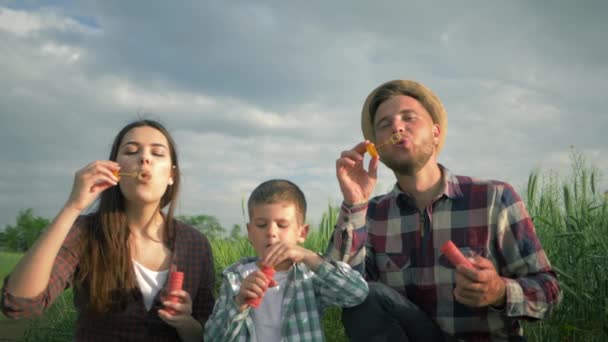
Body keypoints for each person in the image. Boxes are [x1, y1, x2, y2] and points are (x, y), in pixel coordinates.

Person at [327, 80, 563, 341]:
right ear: (377, 150)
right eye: (385, 124)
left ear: (436, 133)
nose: (397, 126)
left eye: (409, 117)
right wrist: (354, 203)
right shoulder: (371, 215)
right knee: (367, 297)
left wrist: (499, 292)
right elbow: (342, 291)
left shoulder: (494, 199)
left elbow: (549, 291)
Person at [1, 119, 215, 341]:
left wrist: (185, 323)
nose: (144, 158)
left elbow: (207, 334)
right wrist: (73, 206)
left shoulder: (195, 244)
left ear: (172, 175)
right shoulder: (85, 233)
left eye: (157, 153)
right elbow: (19, 304)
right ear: (115, 170)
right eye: (131, 151)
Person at [204, 179, 368, 341]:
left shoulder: (309, 276)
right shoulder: (236, 278)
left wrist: (309, 257)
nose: (271, 232)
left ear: (302, 233)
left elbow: (357, 293)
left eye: (282, 225)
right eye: (261, 225)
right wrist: (238, 303)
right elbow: (212, 338)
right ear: (250, 232)